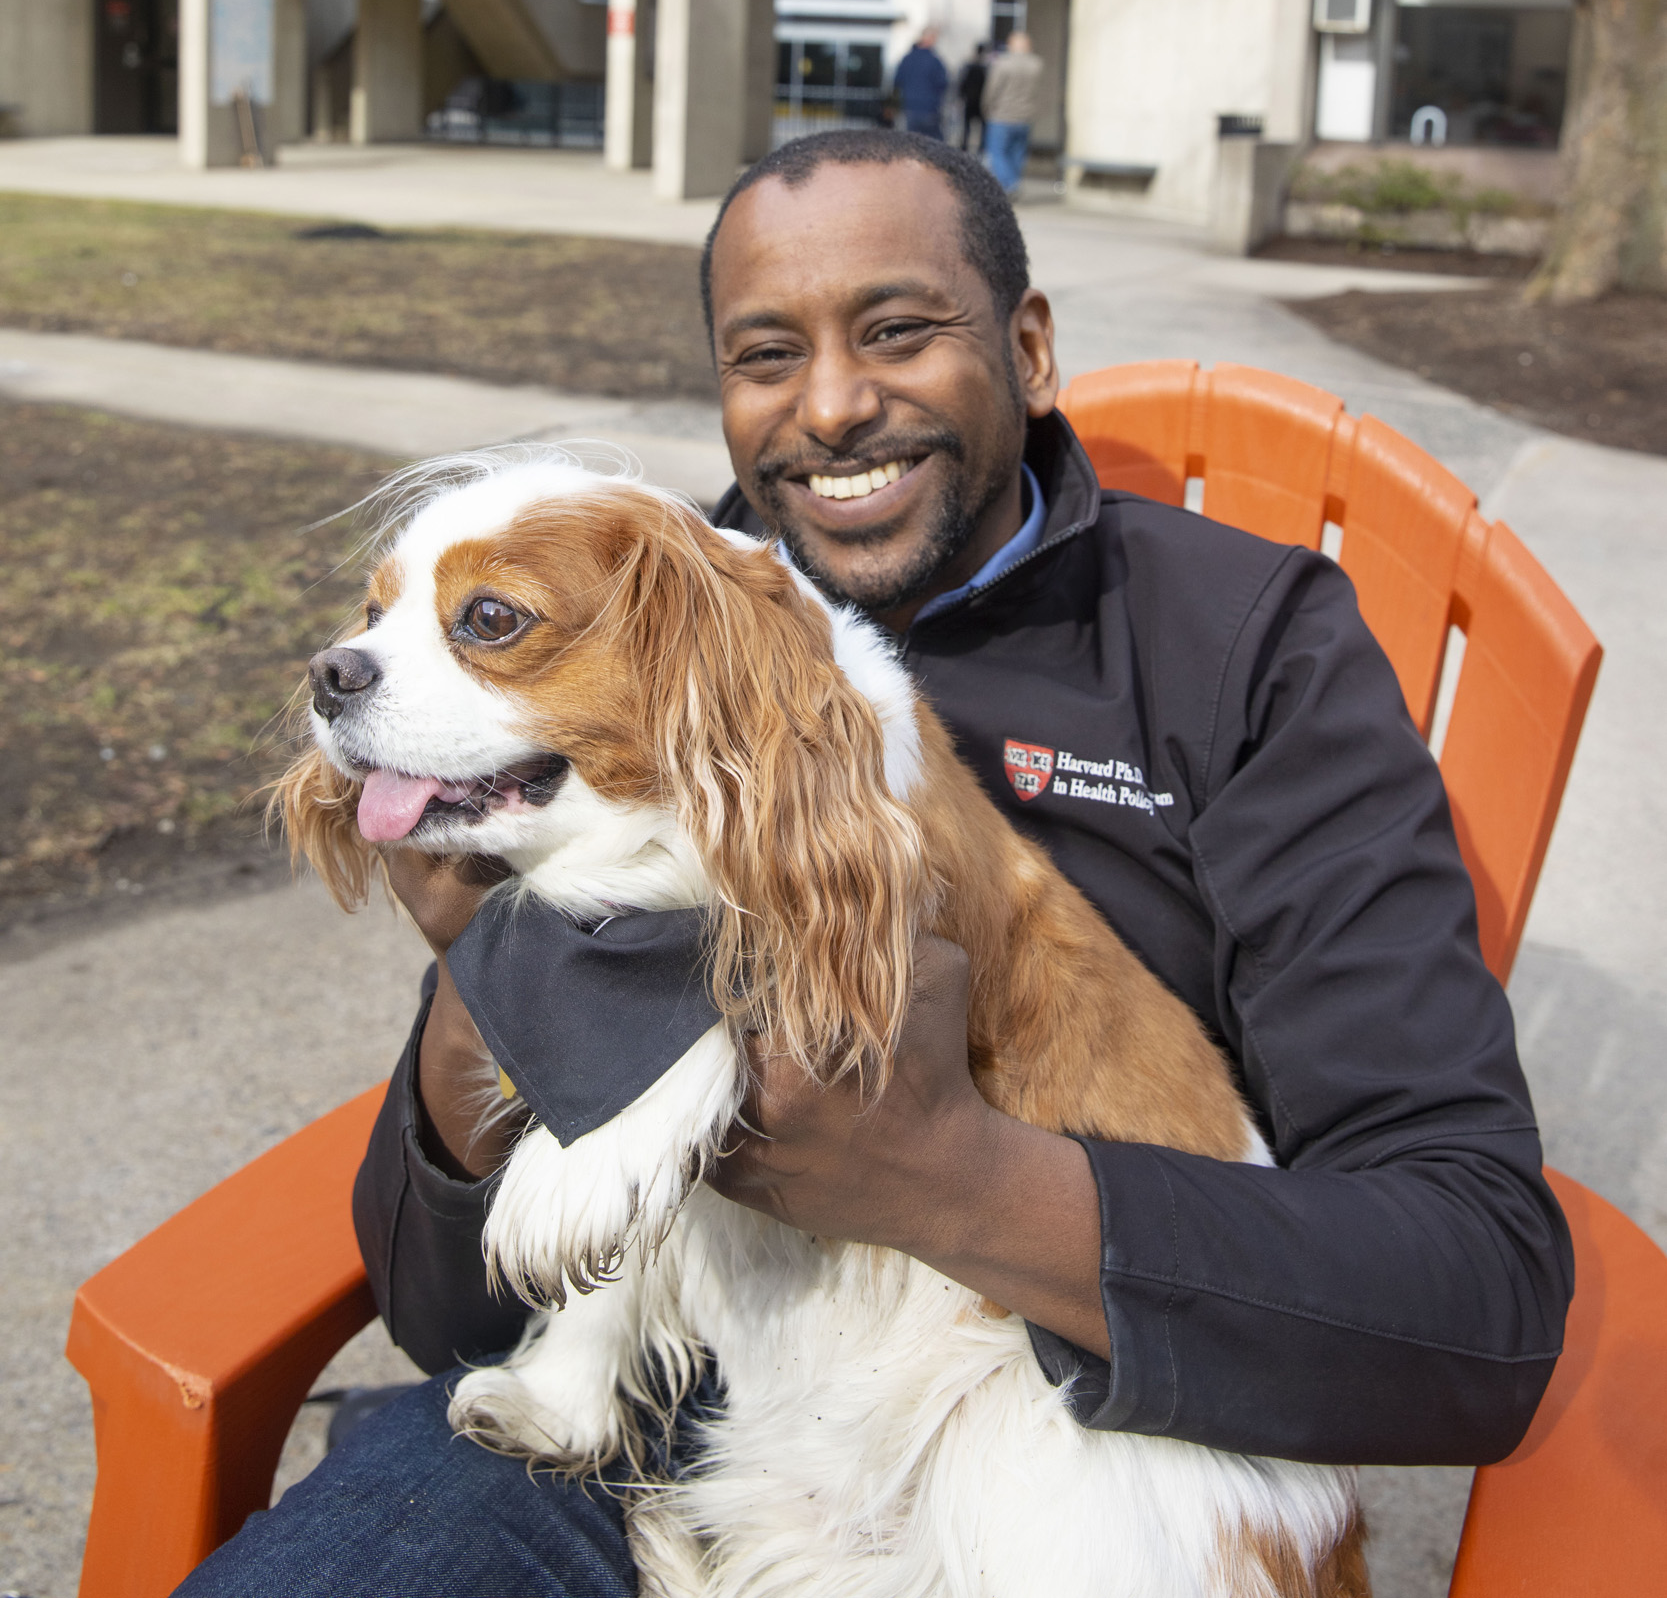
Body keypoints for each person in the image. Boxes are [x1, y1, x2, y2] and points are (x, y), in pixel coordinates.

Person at [182, 129, 1571, 1596]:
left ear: (1028, 349)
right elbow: (445, 1312)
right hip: (658, 1394)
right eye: (764, 354)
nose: (832, 407)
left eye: (898, 331)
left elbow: (1468, 1292)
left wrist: (950, 1181)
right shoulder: (626, 617)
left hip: (1041, 1403)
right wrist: (493, 984)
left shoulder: (1245, 646)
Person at [980, 29, 1044, 193]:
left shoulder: (1003, 63)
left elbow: (992, 90)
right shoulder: (1036, 64)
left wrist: (986, 108)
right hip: (1025, 117)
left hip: (1002, 115)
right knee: (1017, 155)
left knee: (998, 153)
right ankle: (1014, 181)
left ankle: (1009, 185)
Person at [890, 26, 949, 138]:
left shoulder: (906, 59)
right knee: (932, 146)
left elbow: (897, 81)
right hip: (929, 109)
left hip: (909, 108)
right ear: (930, 39)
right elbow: (942, 84)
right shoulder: (934, 61)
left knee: (911, 145)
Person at [956, 41, 989, 152]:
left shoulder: (969, 66)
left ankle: (965, 147)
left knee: (967, 127)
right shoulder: (986, 68)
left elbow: (962, 84)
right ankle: (981, 148)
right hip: (981, 101)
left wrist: (961, 97)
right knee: (982, 128)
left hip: (970, 100)